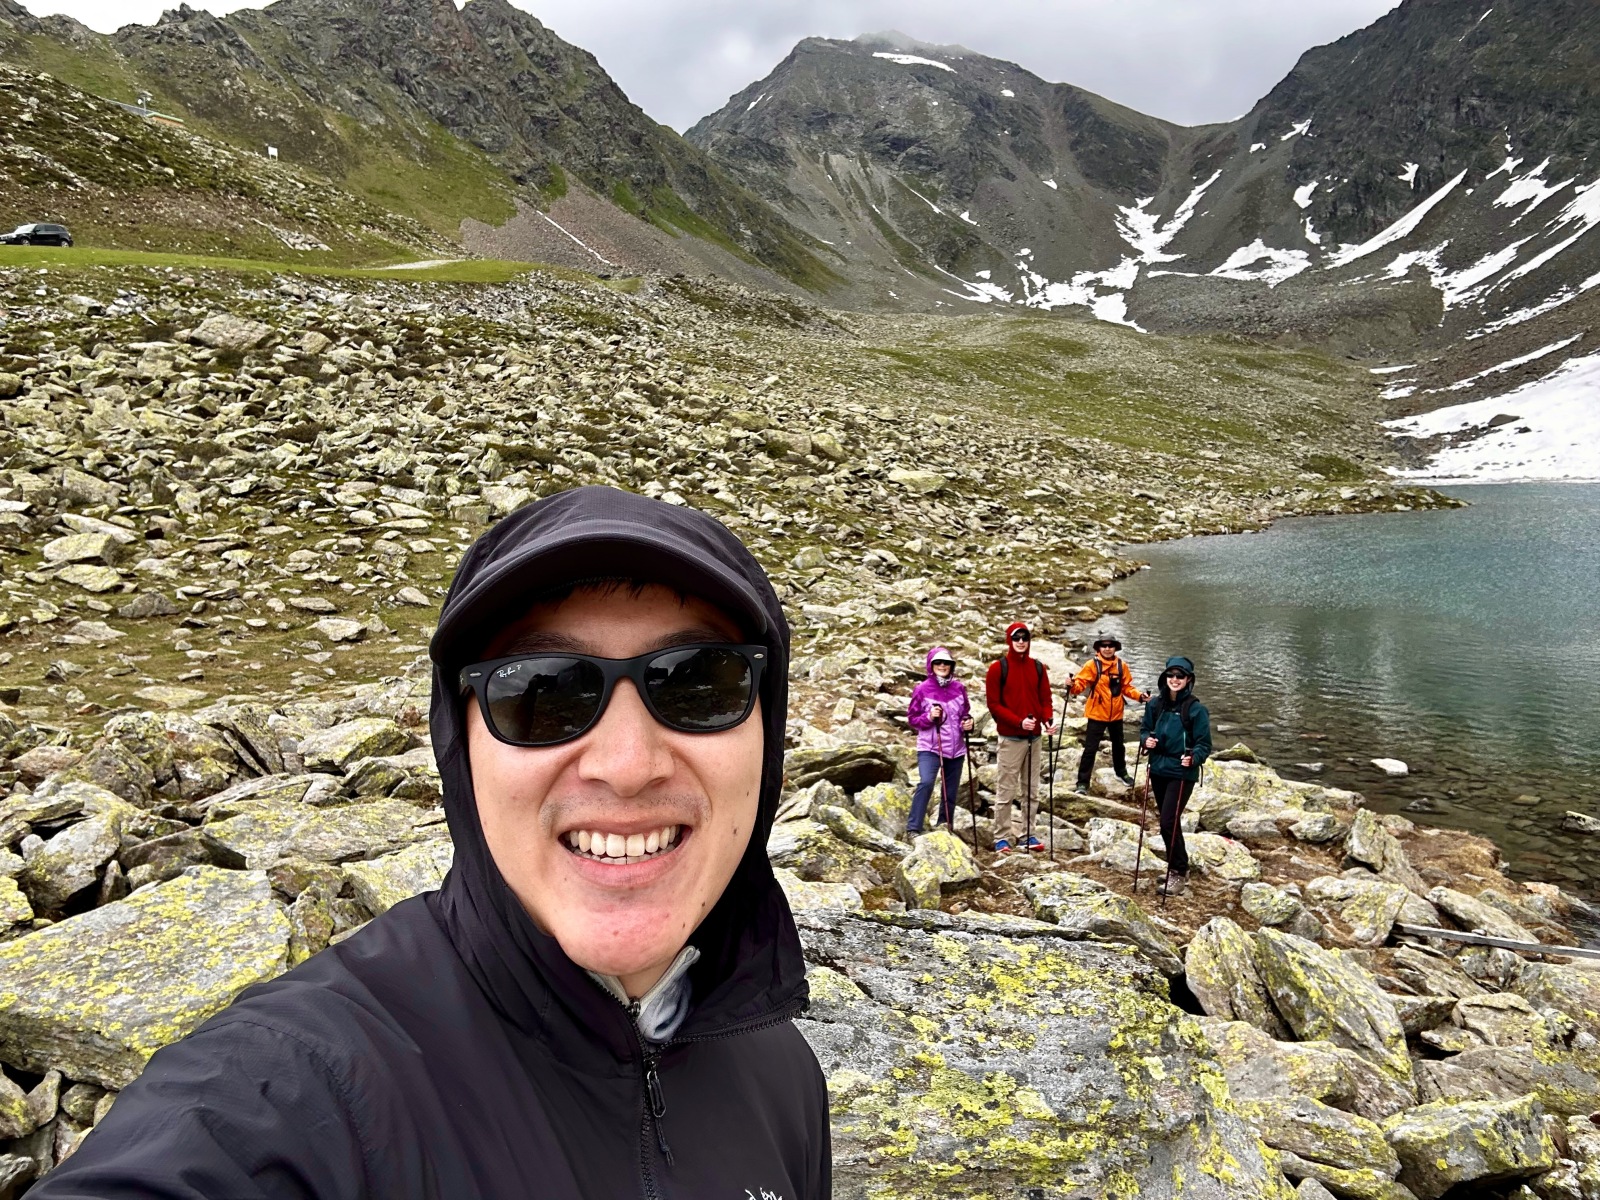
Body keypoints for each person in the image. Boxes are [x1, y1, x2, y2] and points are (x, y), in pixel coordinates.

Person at [33, 486, 831, 1200]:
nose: (626, 766)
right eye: (542, 692)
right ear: (460, 746)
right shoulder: (296, 1086)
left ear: (768, 732)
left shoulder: (780, 1073)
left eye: (699, 682)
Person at [1139, 655, 1213, 898]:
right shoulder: (1155, 705)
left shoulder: (1196, 709)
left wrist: (1194, 758)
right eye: (1171, 675)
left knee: (1168, 822)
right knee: (1168, 821)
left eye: (1180, 676)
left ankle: (1179, 871)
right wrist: (1146, 741)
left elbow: (1204, 744)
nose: (1175, 679)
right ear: (1165, 677)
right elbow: (1144, 730)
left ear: (1188, 679)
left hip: (1182, 772)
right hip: (1158, 768)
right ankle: (1177, 866)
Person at [984, 621, 1055, 854]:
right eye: (1016, 638)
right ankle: (1001, 837)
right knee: (1006, 790)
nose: (1021, 642)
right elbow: (994, 705)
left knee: (1031, 790)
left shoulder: (1038, 668)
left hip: (1034, 738)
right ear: (1009, 640)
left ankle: (1027, 835)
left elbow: (1045, 699)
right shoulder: (998, 669)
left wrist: (1048, 719)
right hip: (1010, 738)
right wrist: (1018, 722)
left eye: (1025, 638)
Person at [905, 646, 974, 834]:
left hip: (956, 748)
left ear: (952, 665)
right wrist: (929, 717)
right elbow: (912, 719)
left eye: (947, 663)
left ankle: (945, 826)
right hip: (930, 747)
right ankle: (913, 828)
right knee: (926, 782)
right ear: (931, 665)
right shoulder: (921, 689)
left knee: (950, 791)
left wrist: (968, 723)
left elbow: (964, 713)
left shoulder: (959, 688)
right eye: (938, 662)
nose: (943, 666)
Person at [1070, 633, 1148, 794]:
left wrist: (1140, 697)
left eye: (1110, 645)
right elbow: (1079, 684)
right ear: (1099, 648)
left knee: (1119, 746)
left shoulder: (1121, 665)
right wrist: (1071, 685)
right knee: (1090, 749)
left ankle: (1121, 773)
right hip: (1096, 714)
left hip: (1116, 714)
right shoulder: (1092, 665)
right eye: (1104, 645)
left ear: (1115, 648)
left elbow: (1127, 687)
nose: (1107, 648)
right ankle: (1082, 783)